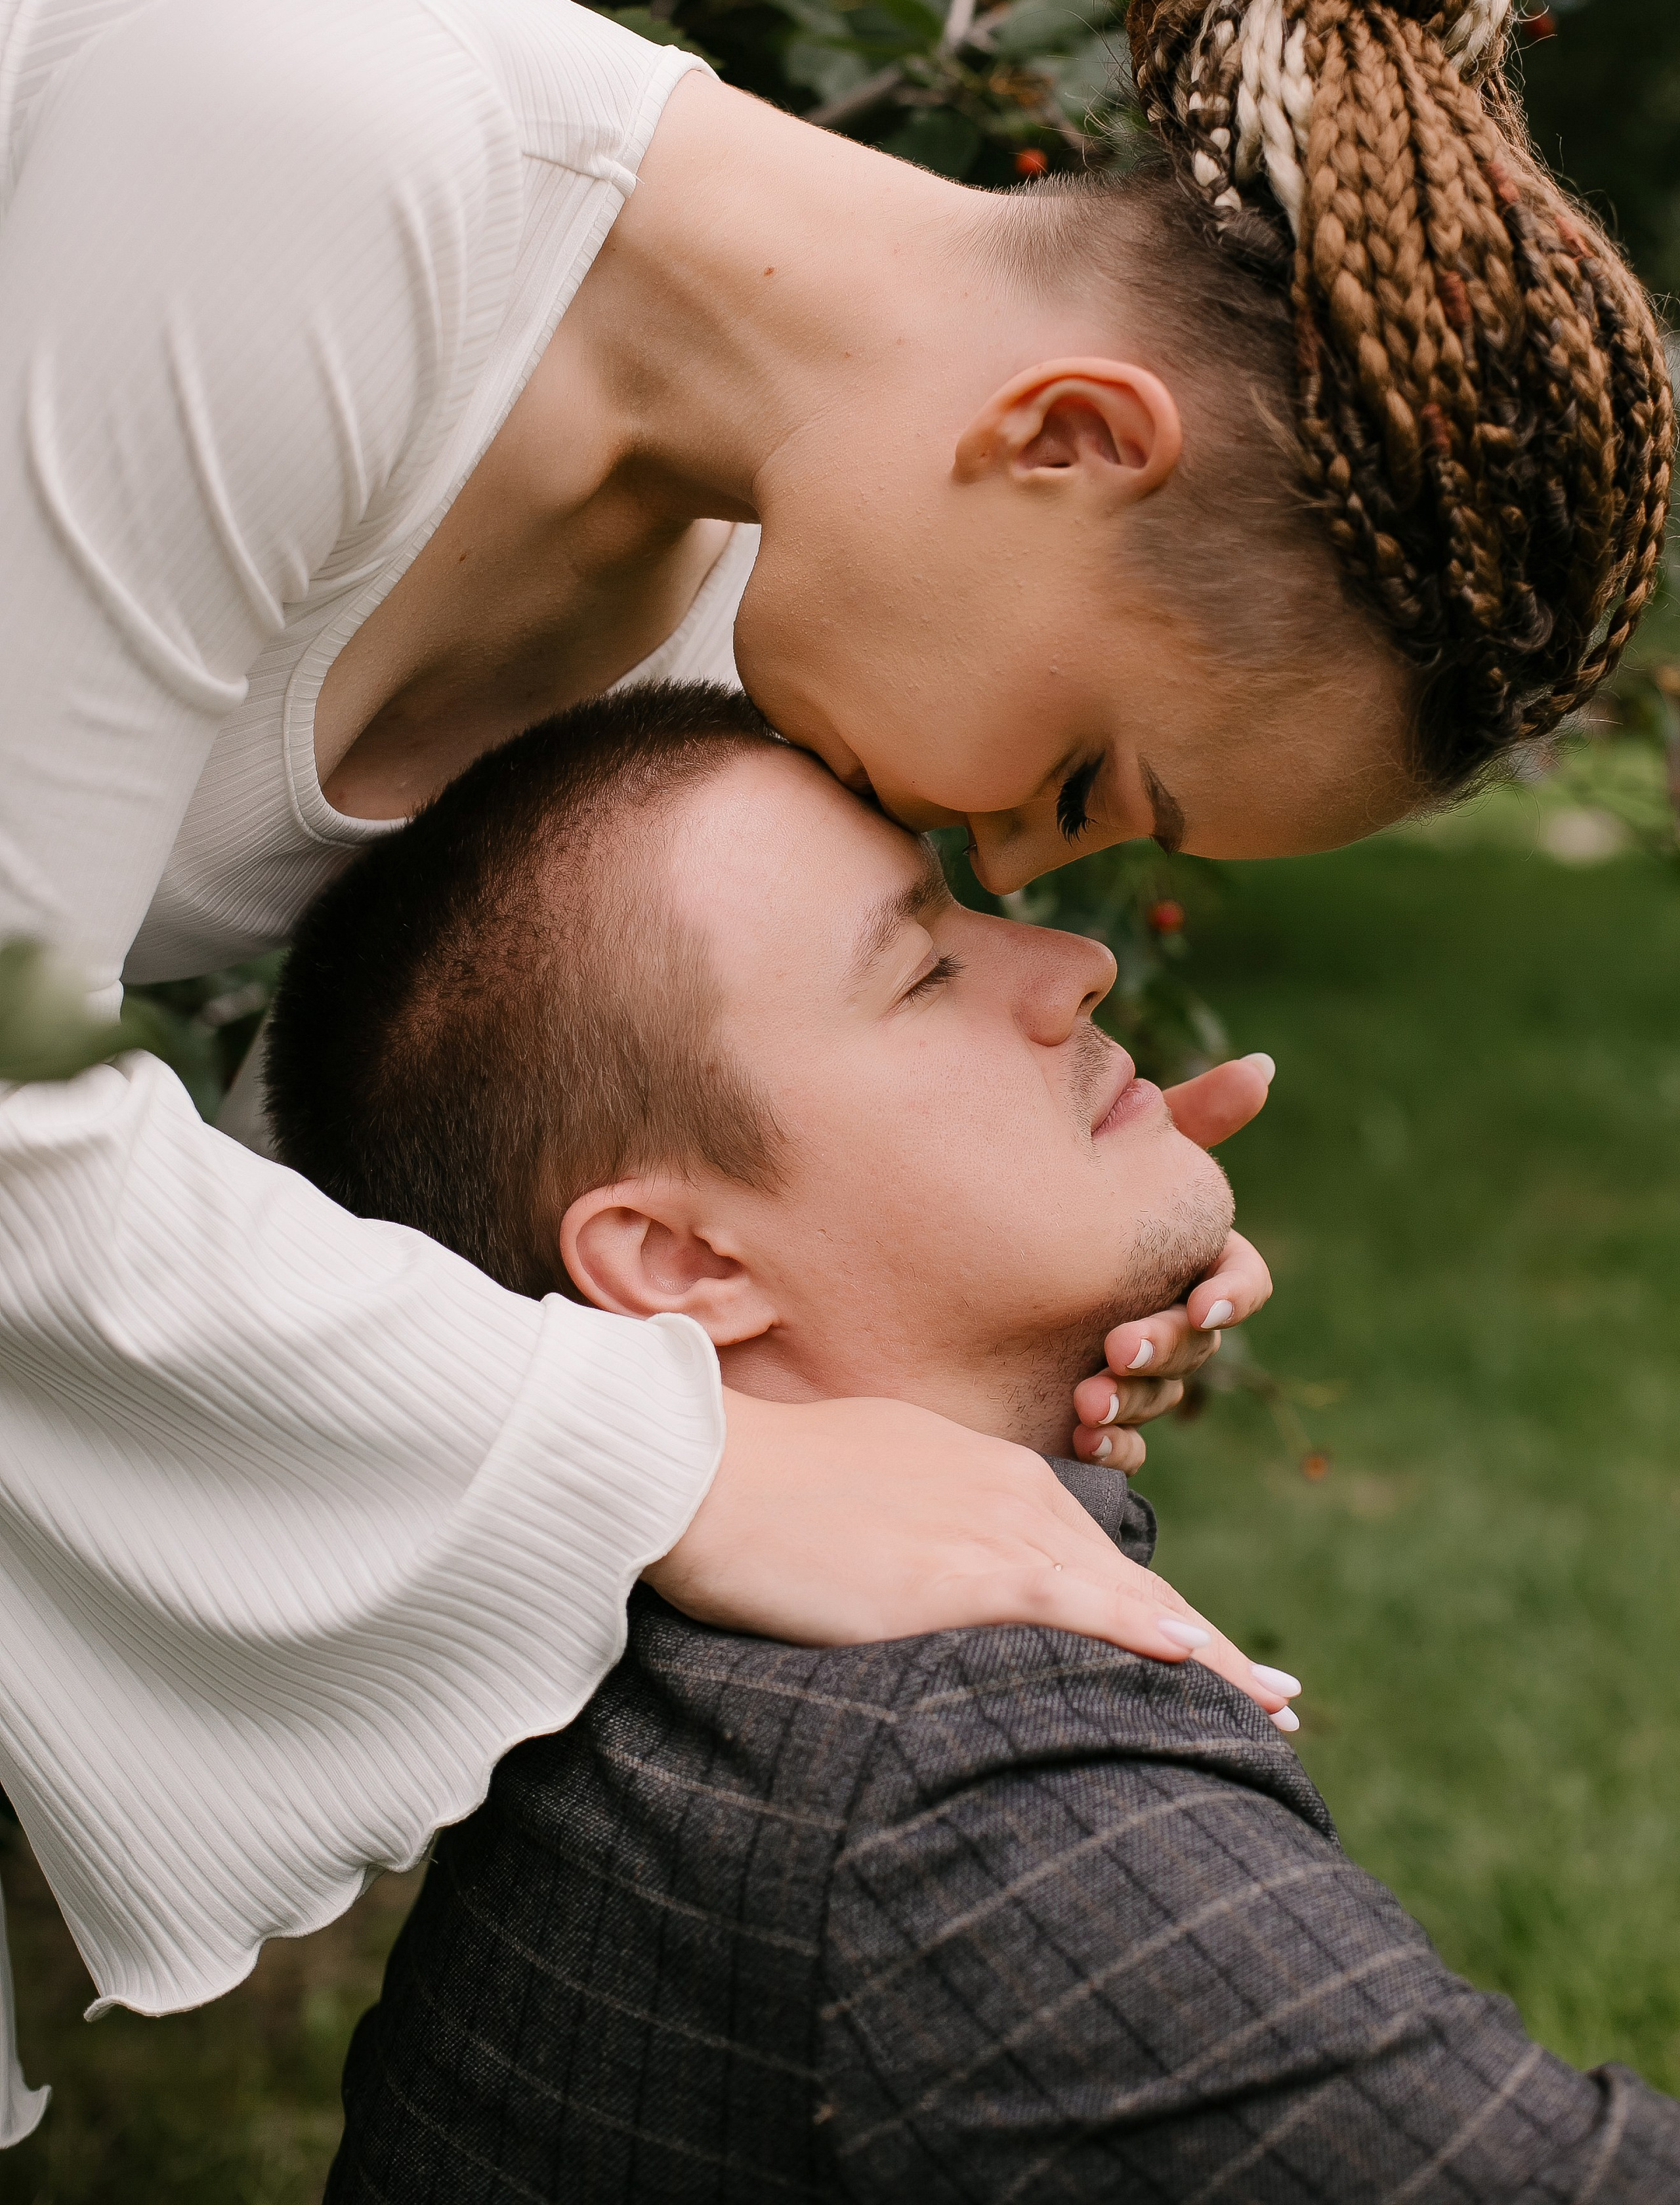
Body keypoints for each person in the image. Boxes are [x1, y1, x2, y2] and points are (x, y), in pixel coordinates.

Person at [0, 0, 1668, 2141]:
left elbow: (442, 1197)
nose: (1049, 879)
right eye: (1101, 780)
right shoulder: (315, 146)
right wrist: (680, 1470)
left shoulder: (708, 598)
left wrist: (949, 1315)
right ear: (1070, 439)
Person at [263, 684, 1680, 2202]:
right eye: (921, 969)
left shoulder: (678, 1669)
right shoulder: (953, 1788)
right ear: (680, 1263)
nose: (1078, 962)